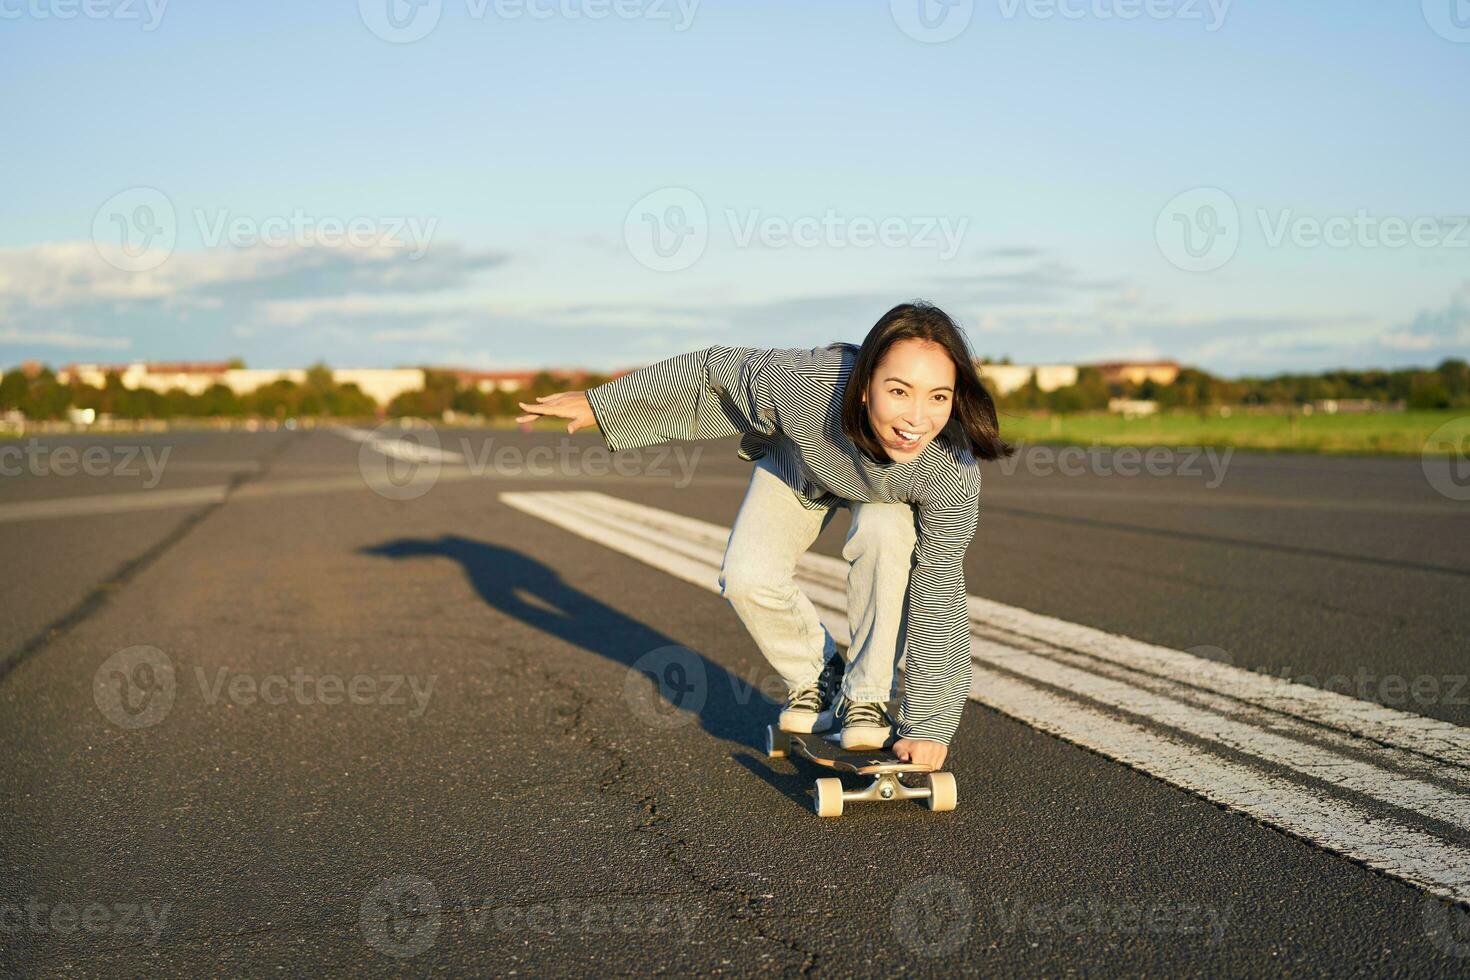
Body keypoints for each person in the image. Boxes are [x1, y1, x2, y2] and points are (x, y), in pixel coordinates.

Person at [516, 301, 1013, 771]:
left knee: (884, 532)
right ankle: (820, 679)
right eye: (899, 391)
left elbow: (939, 593)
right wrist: (603, 405)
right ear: (864, 386)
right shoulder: (806, 385)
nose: (916, 418)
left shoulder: (950, 469)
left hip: (888, 495)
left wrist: (930, 727)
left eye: (938, 397)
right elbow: (713, 372)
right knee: (747, 574)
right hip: (803, 459)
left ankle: (866, 699)